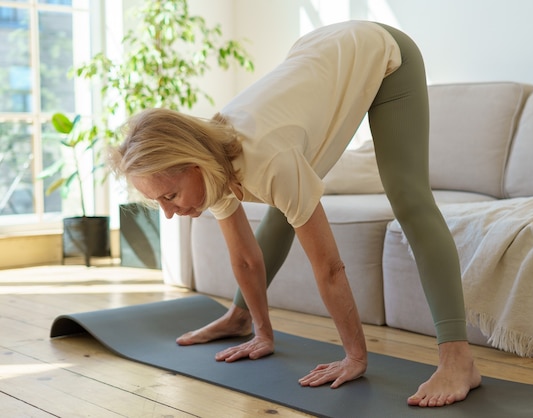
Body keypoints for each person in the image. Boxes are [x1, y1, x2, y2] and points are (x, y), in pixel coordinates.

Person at [110, 20, 481, 407]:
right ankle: (239, 318)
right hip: (320, 53)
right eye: (160, 203)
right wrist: (261, 331)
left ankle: (459, 360)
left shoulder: (267, 157)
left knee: (409, 199)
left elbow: (330, 268)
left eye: (170, 196)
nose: (169, 213)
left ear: (194, 164)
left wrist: (355, 356)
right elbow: (244, 259)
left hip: (381, 53)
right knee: (285, 204)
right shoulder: (213, 167)